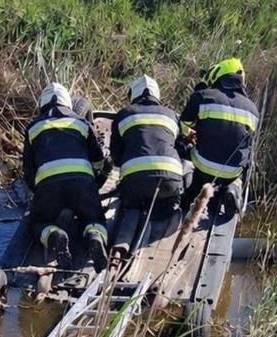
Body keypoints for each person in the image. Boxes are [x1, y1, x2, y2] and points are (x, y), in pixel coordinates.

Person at [22, 82, 109, 272]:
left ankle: (55, 236)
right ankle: (94, 236)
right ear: (68, 103)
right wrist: (94, 183)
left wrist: (40, 194)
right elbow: (98, 159)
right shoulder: (81, 122)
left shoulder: (33, 128)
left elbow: (28, 171)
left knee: (39, 223)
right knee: (94, 218)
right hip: (82, 182)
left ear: (42, 104)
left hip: (49, 186)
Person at [179, 58, 259, 215]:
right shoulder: (253, 110)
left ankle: (190, 190)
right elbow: (247, 143)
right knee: (236, 170)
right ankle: (232, 188)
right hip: (232, 170)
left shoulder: (203, 96)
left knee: (190, 161)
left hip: (203, 164)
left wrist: (190, 135)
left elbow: (182, 126)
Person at [109, 75, 185, 214]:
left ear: (132, 95)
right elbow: (180, 150)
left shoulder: (124, 114)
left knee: (131, 209)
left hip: (134, 183)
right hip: (169, 182)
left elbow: (117, 158)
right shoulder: (171, 115)